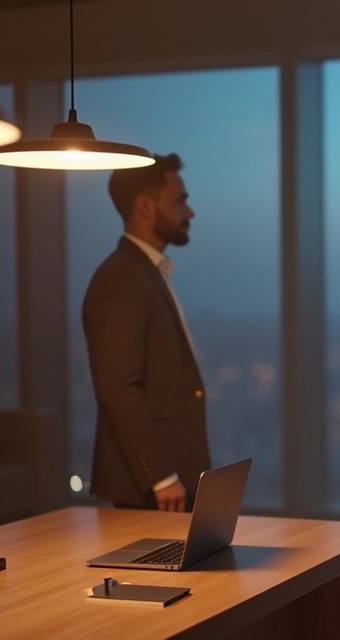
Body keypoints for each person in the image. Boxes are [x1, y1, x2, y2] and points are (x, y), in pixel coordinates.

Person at [81, 153, 210, 513]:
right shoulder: (122, 278)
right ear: (145, 207)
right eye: (180, 201)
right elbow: (118, 388)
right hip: (152, 490)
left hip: (165, 486)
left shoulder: (143, 273)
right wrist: (160, 476)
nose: (190, 212)